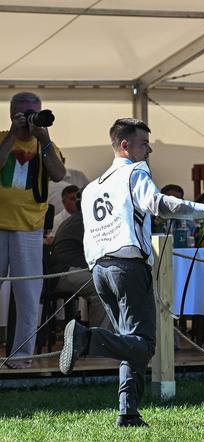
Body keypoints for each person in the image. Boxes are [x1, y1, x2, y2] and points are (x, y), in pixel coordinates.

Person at [58, 118, 204, 428]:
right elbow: (157, 203)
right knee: (143, 344)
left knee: (130, 341)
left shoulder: (92, 187)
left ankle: (128, 412)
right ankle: (87, 339)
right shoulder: (135, 171)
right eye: (143, 143)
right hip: (128, 265)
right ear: (125, 146)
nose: (149, 149)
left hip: (100, 269)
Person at [0, 92, 65, 368]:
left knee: (28, 296)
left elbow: (59, 175)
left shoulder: (46, 144)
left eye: (34, 113)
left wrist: (45, 139)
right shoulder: (3, 137)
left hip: (30, 229)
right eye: (24, 114)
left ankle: (22, 359)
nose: (29, 120)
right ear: (12, 114)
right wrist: (13, 134)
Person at [48, 193, 109, 329]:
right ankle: (99, 341)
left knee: (109, 281)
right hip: (62, 272)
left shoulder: (78, 219)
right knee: (103, 287)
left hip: (65, 270)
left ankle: (105, 338)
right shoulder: (85, 221)